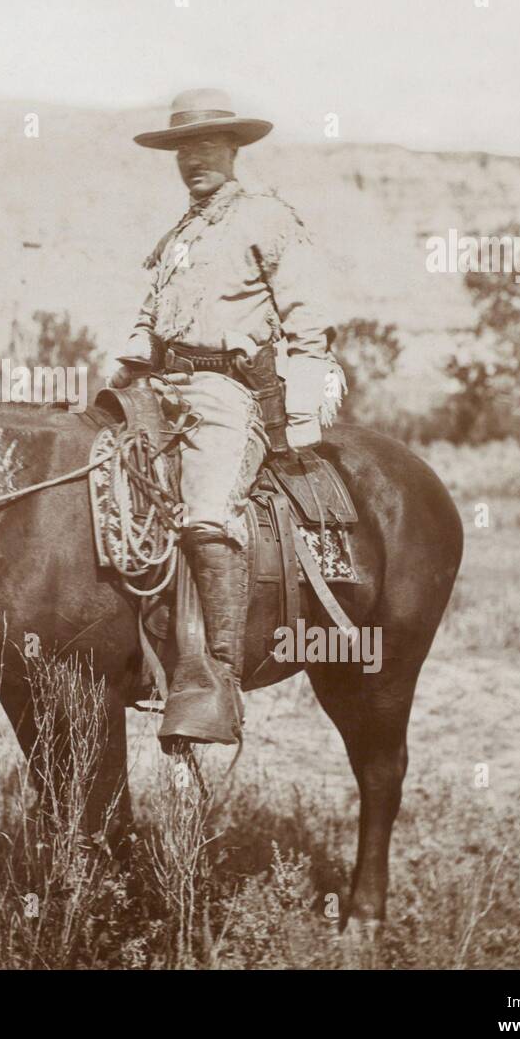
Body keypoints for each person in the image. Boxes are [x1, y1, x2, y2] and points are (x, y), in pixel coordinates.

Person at [112, 88, 344, 745]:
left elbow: (308, 322)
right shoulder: (180, 232)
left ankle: (215, 679)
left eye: (207, 146)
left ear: (234, 149)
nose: (194, 160)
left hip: (226, 394)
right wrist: (130, 358)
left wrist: (301, 413)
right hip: (161, 388)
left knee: (207, 515)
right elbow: (149, 315)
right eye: (184, 149)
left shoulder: (268, 220)